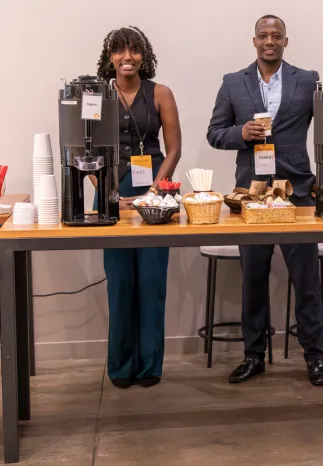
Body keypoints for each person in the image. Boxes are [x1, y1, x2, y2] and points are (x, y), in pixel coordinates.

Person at [206, 15, 323, 386]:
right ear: (254, 41)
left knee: (307, 279)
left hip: (299, 192)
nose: (269, 41)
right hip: (251, 195)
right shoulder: (232, 83)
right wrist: (240, 133)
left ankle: (315, 358)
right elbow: (214, 133)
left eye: (276, 36)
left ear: (286, 41)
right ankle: (253, 355)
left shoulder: (307, 80)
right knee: (254, 279)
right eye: (263, 36)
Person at [93, 26, 182, 389]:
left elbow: (174, 148)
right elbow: (88, 153)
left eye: (134, 50)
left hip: (155, 194)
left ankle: (149, 367)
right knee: (120, 282)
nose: (126, 57)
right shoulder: (97, 96)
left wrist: (156, 190)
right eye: (119, 51)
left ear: (144, 55)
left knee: (150, 281)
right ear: (109, 57)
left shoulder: (160, 93)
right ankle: (120, 367)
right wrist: (110, 193)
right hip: (112, 193)